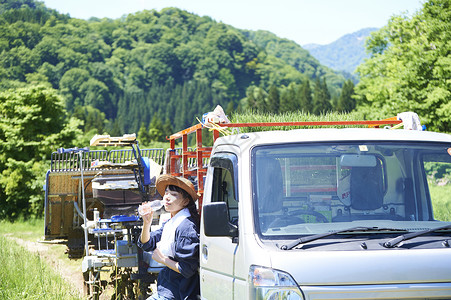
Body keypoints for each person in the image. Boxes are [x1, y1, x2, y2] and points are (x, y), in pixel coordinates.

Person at [138, 175, 200, 300]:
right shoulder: (172, 223)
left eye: (174, 194)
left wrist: (163, 259)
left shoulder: (186, 227)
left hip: (178, 292)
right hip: (167, 288)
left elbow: (187, 269)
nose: (167, 197)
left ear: (186, 201)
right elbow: (147, 243)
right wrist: (147, 222)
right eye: (166, 193)